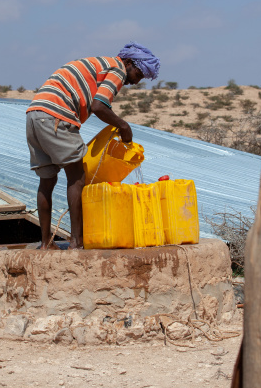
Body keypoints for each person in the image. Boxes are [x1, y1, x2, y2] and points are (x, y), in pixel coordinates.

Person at [26, 42, 160, 249]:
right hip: (56, 116)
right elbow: (99, 106)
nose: (136, 81)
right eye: (139, 75)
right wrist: (124, 126)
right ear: (130, 63)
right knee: (77, 176)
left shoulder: (99, 65)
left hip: (34, 115)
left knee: (47, 180)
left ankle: (45, 244)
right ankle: (77, 243)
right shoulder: (117, 68)